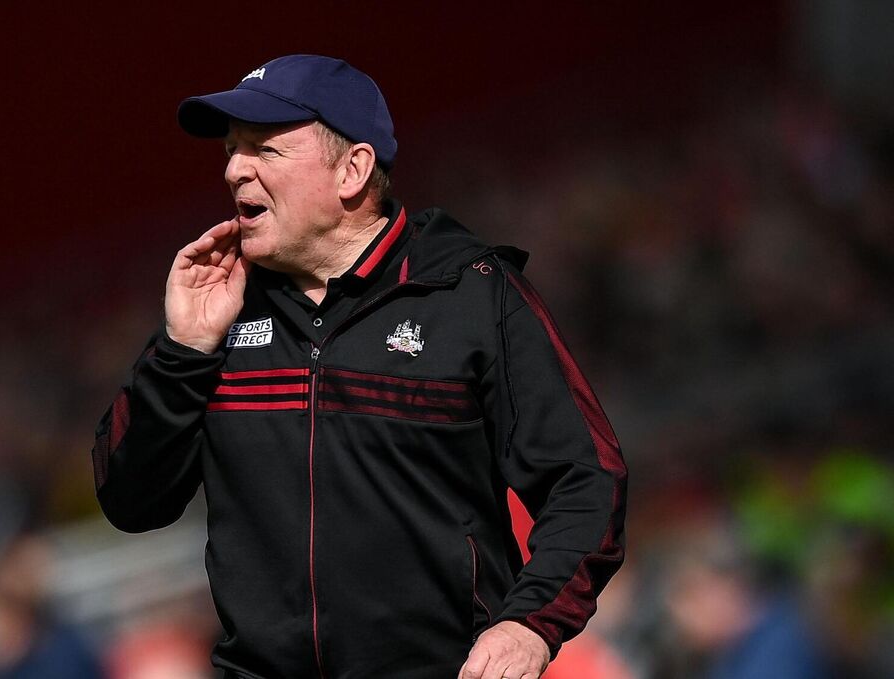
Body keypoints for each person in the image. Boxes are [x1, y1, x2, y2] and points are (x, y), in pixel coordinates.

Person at [92, 54, 627, 679]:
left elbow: (586, 478)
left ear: (353, 168)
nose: (236, 169)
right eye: (232, 150)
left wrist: (531, 622)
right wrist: (183, 351)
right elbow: (132, 504)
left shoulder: (472, 295)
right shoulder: (220, 308)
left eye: (264, 149)